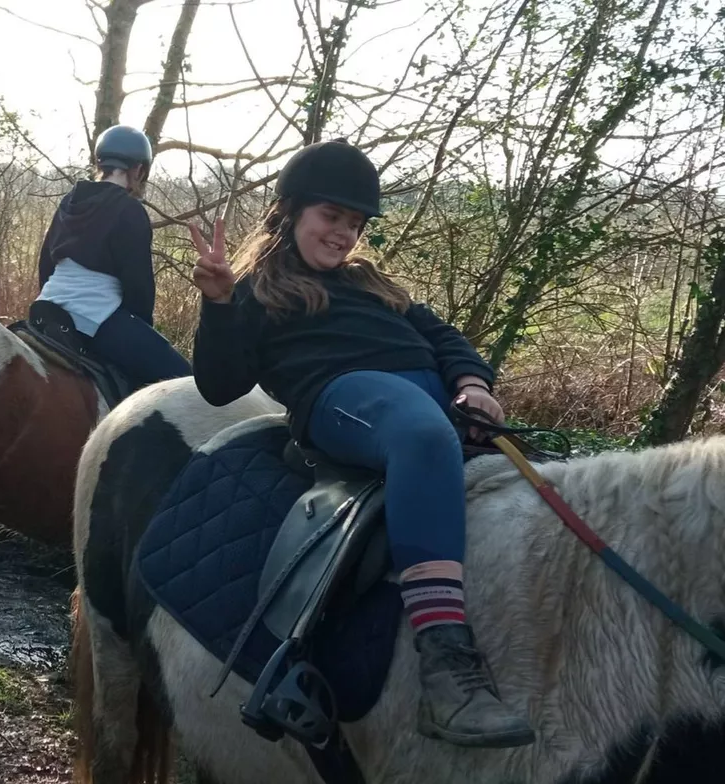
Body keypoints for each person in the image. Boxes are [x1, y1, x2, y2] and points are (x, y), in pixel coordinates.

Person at [187, 138, 535, 749]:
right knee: (423, 433)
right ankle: (445, 663)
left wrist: (474, 384)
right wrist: (217, 302)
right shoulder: (257, 291)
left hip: (429, 401)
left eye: (354, 223)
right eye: (331, 217)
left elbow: (444, 337)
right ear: (291, 211)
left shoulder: (377, 287)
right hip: (346, 399)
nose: (344, 234)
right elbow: (220, 385)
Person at [35, 124, 191, 390]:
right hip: (96, 317)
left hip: (45, 308)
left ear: (100, 163)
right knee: (186, 382)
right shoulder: (130, 209)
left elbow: (45, 264)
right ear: (139, 170)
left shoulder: (69, 200)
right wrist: (141, 329)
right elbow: (138, 285)